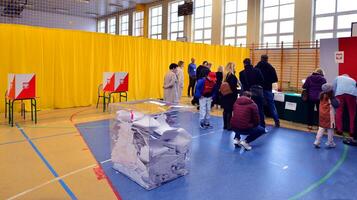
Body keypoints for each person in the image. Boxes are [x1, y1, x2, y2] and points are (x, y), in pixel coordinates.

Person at [255, 54, 280, 127]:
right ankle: (276, 121)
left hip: (258, 89)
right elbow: (275, 79)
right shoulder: (271, 68)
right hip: (268, 89)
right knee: (272, 106)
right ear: (267, 59)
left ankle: (261, 122)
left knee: (259, 106)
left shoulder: (257, 67)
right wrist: (268, 81)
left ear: (261, 59)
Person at [239, 58, 265, 127]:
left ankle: (249, 125)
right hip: (258, 93)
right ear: (250, 63)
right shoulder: (257, 71)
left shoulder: (241, 73)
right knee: (260, 109)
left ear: (244, 64)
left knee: (248, 111)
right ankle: (262, 126)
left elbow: (243, 84)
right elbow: (262, 80)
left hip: (247, 94)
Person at [314, 84, 339, 148]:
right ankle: (330, 142)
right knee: (330, 129)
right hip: (329, 116)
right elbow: (337, 105)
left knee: (321, 128)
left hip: (322, 115)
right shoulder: (331, 98)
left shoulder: (321, 96)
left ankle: (317, 141)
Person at [221, 62, 238, 130]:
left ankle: (225, 125)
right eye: (234, 67)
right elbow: (233, 87)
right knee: (229, 111)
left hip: (225, 95)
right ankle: (229, 126)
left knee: (225, 110)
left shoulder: (225, 76)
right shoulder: (232, 76)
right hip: (231, 96)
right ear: (232, 68)